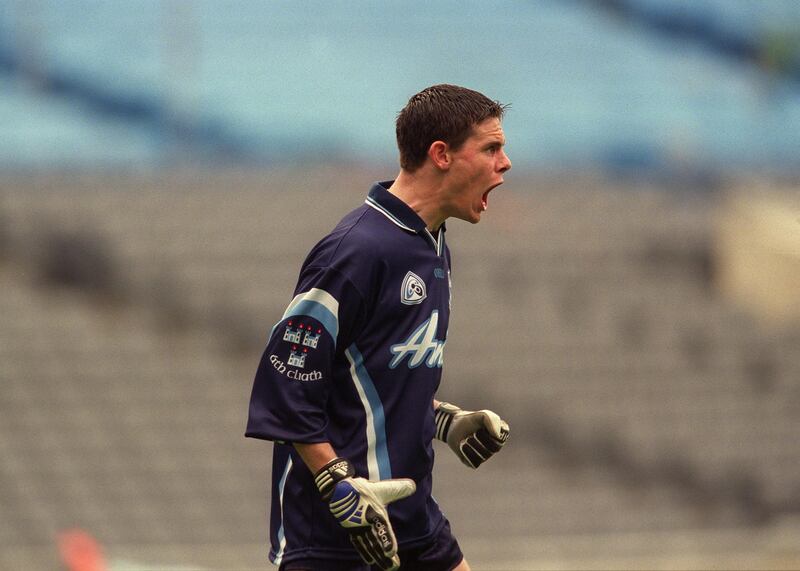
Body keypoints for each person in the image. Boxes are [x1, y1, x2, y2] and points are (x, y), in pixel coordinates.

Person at [246, 84, 512, 571]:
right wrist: (336, 484)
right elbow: (286, 383)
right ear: (441, 155)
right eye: (491, 148)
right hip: (335, 535)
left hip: (411, 520)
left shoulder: (432, 246)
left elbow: (368, 382)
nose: (506, 162)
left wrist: (443, 421)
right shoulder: (356, 251)